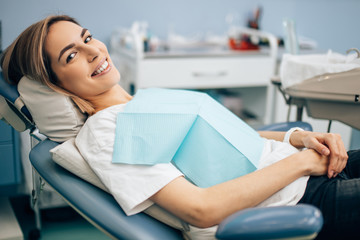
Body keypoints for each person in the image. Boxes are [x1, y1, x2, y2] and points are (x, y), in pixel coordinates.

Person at [1, 15, 359, 240]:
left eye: (87, 37)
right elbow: (200, 209)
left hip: (302, 170)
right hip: (296, 199)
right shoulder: (107, 132)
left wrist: (297, 138)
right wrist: (301, 162)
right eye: (71, 55)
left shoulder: (135, 105)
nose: (93, 51)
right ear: (55, 86)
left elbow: (222, 139)